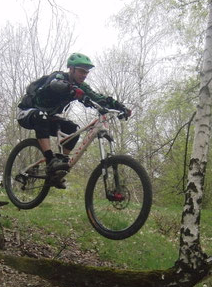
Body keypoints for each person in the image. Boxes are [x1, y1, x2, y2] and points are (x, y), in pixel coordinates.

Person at [17, 52, 131, 189]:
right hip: (27, 113)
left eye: (86, 72)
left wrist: (119, 106)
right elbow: (55, 84)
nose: (84, 75)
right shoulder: (58, 76)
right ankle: (50, 160)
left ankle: (58, 168)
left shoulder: (81, 86)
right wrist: (72, 90)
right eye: (81, 71)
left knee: (73, 129)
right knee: (41, 116)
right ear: (71, 69)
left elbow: (98, 97)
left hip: (49, 118)